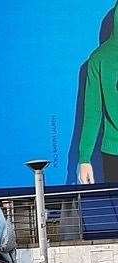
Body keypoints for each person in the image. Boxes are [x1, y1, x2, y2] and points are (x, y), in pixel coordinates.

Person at [79, 3, 118, 184]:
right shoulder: (99, 59)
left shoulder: (98, 58)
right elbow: (92, 113)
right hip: (113, 153)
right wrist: (84, 158)